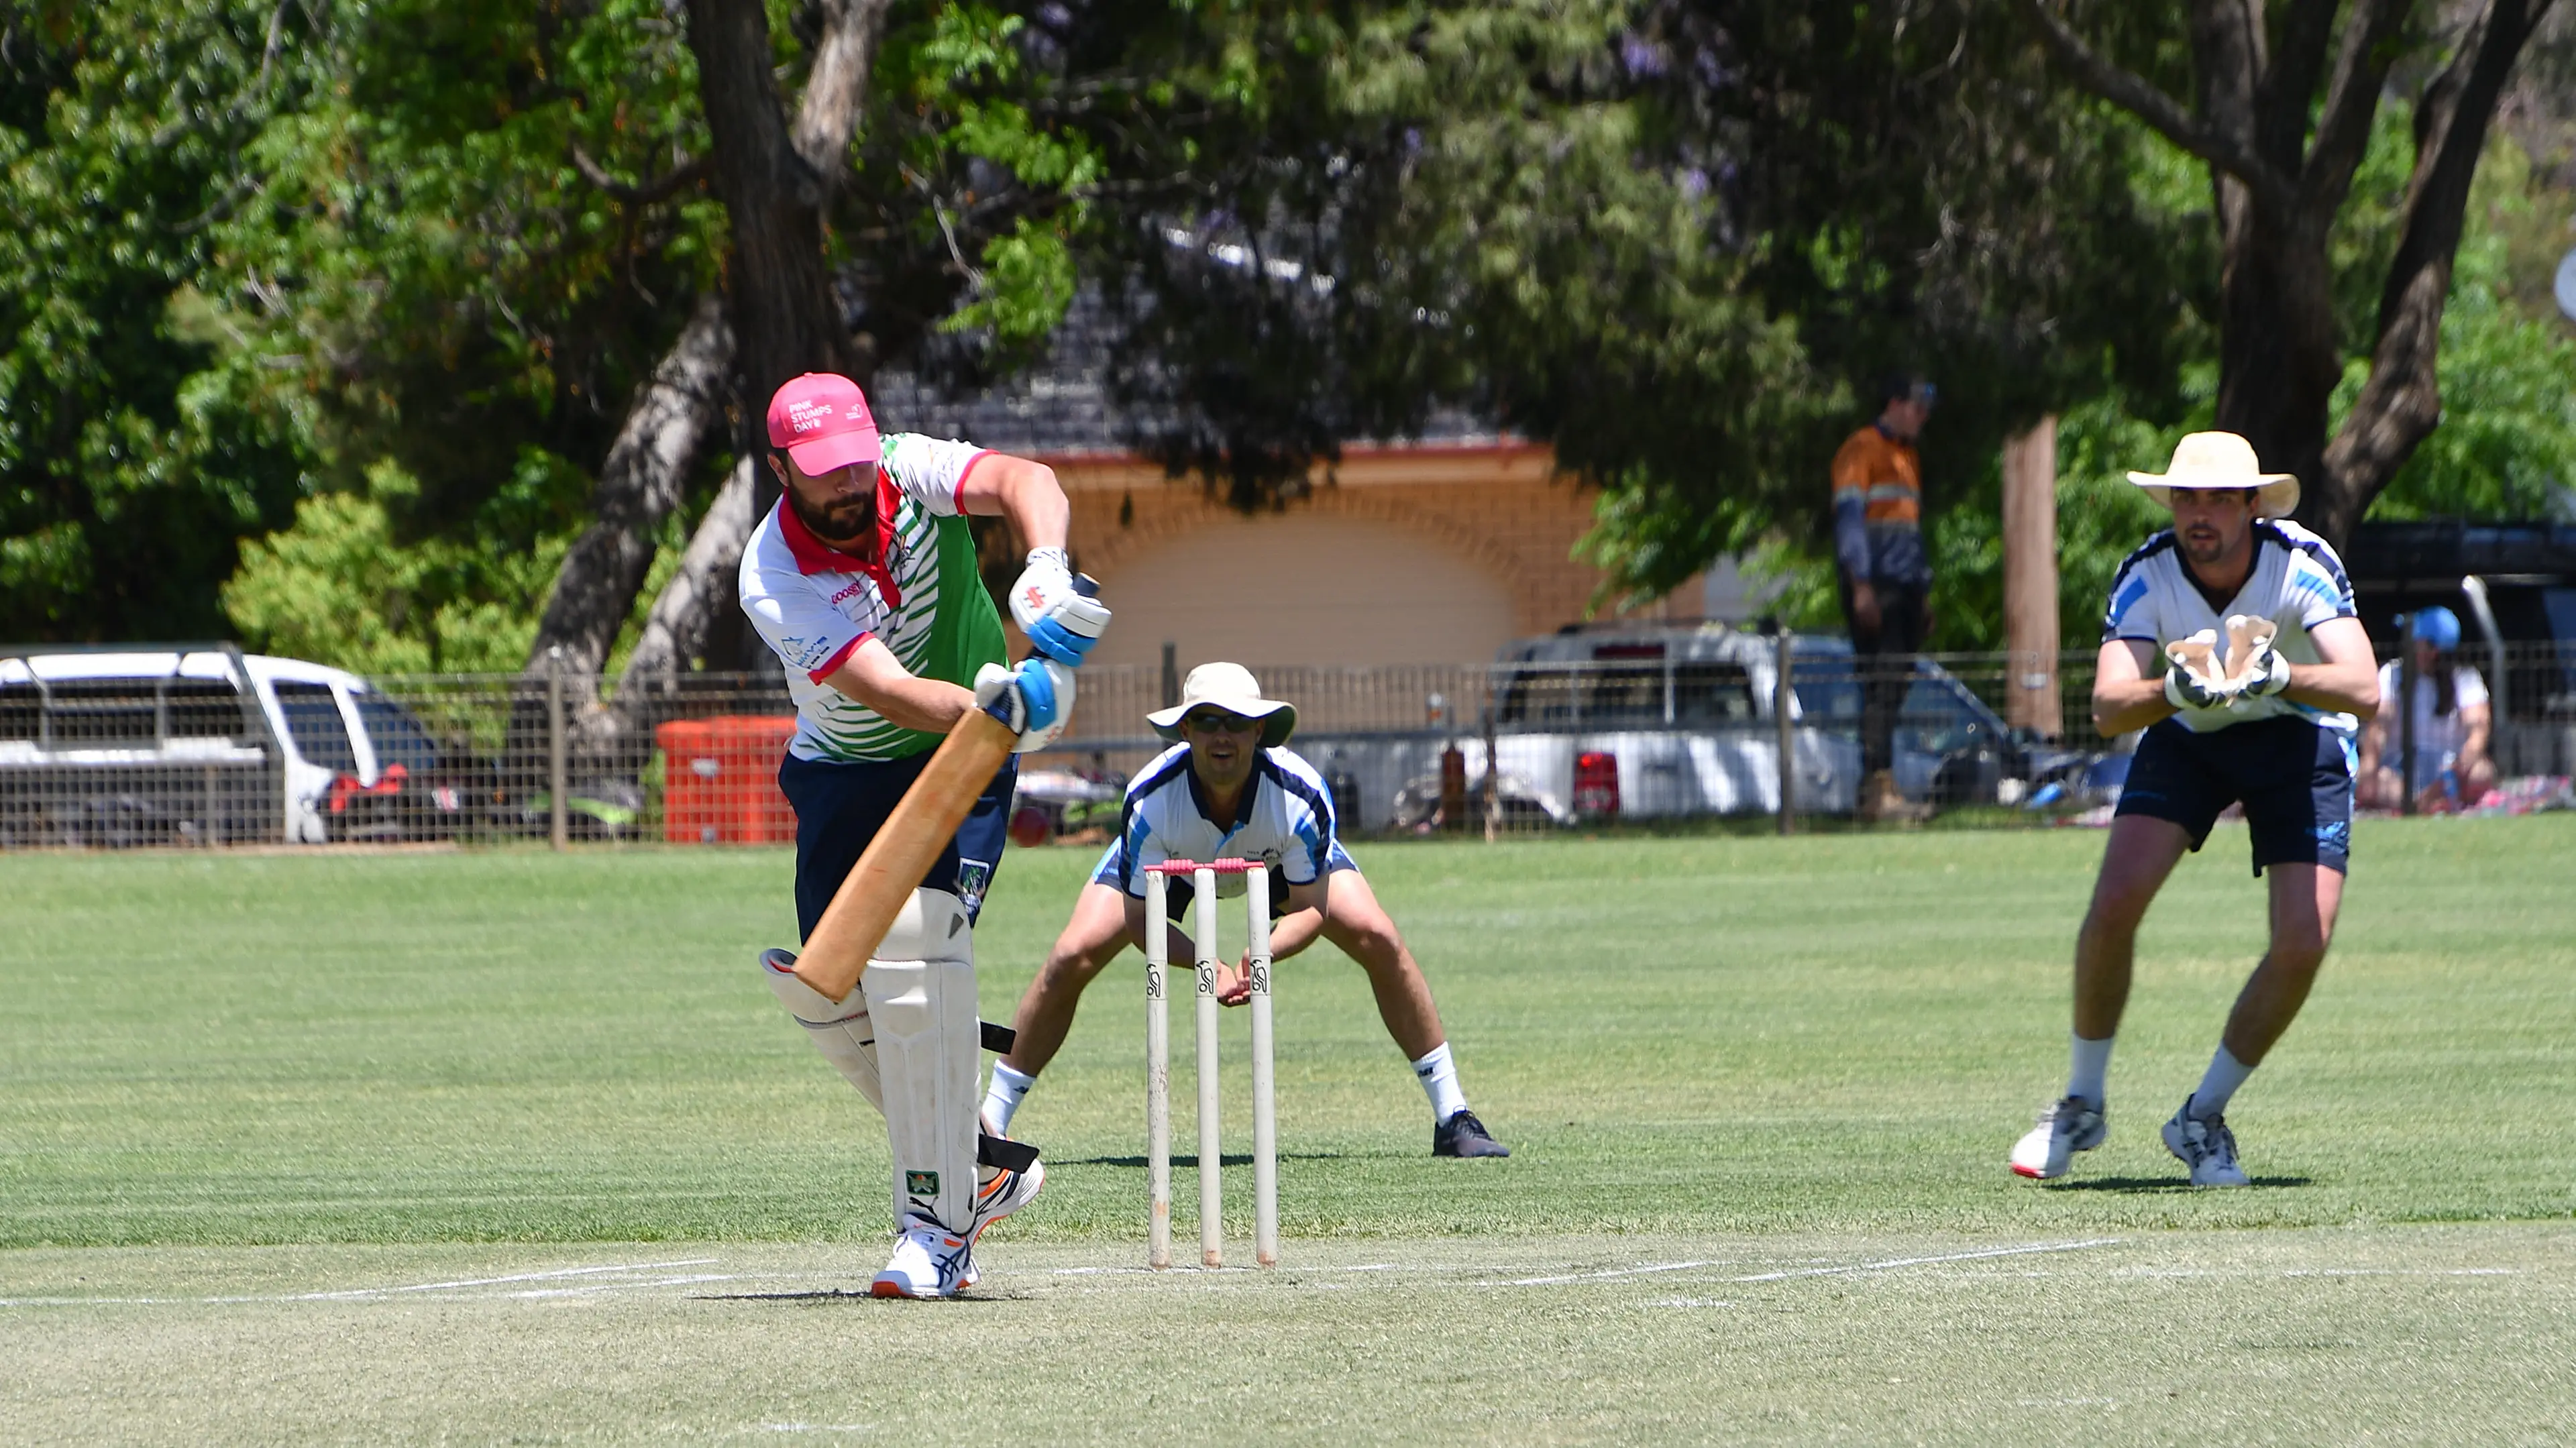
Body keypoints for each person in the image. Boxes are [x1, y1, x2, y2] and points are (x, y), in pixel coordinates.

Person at [739, 371, 1110, 1298]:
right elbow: (892, 694)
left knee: (917, 958)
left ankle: (932, 1232)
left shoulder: (910, 469)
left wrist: (1044, 568)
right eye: (822, 472)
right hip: (849, 771)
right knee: (823, 987)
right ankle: (978, 1161)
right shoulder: (774, 574)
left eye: (855, 463)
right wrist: (1009, 700)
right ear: (780, 467)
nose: (847, 485)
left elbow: (1032, 483)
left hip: (962, 765)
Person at [2008, 432, 2379, 1188]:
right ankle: (2081, 1103)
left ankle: (2201, 1119)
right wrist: (2173, 692)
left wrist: (2281, 674)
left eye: (2216, 497)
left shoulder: (2300, 562)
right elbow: (2110, 706)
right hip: (2190, 736)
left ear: (2251, 504)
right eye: (2186, 496)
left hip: (2297, 737)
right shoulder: (2147, 572)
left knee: (2303, 940)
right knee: (2113, 902)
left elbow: (2365, 688)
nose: (2199, 513)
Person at [981, 662, 1511, 1159]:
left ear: (1260, 731)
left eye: (1237, 722)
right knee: (1070, 955)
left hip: (1278, 861)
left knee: (1380, 936)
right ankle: (990, 1124)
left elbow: (1310, 908)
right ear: (1185, 730)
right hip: (1173, 861)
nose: (1222, 736)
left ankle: (1453, 1117)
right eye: (1207, 721)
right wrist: (1208, 965)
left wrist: (1258, 958)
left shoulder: (1299, 796)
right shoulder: (1150, 801)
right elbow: (1143, 921)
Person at [1831, 372, 1937, 822]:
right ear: (1894, 402)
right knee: (1880, 686)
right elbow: (1850, 520)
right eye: (1916, 407)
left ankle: (1883, 785)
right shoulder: (1862, 448)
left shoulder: (1907, 457)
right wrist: (1861, 586)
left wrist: (1923, 592)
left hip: (1906, 586)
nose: (1922, 417)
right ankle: (1876, 790)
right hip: (1877, 588)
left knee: (1895, 688)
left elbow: (1908, 531)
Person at [2356, 605, 2494, 812]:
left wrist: (2443, 783)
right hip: (2401, 769)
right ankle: (2423, 805)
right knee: (2373, 781)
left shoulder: (2466, 678)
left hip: (2450, 771)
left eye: (2415, 640)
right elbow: (2379, 726)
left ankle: (2427, 803)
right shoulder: (2392, 674)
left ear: (2433, 651)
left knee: (2481, 774)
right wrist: (2369, 767)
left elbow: (2478, 733)